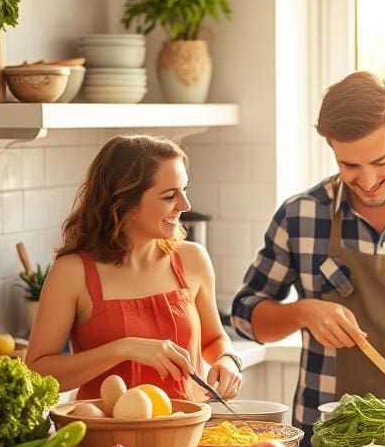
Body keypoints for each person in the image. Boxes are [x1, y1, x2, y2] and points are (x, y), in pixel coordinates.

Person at [232, 71, 385, 436]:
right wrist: (302, 311)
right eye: (350, 165)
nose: (367, 180)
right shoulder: (300, 215)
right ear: (331, 148)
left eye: (381, 161)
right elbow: (245, 315)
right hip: (324, 430)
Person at [26, 135, 242, 403]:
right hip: (103, 439)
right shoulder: (73, 272)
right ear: (125, 202)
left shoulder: (193, 260)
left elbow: (214, 338)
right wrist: (123, 349)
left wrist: (227, 360)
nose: (185, 205)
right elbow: (37, 372)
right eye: (169, 195)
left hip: (188, 436)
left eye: (185, 189)